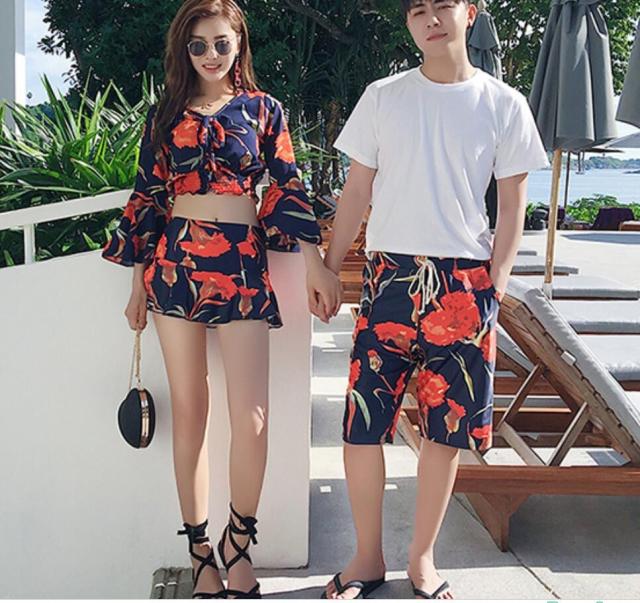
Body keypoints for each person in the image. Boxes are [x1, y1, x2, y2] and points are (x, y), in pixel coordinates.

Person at [101, 0, 341, 598]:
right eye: (198, 45)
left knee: (251, 416)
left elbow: (286, 184)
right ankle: (198, 547)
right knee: (191, 411)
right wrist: (136, 283)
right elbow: (148, 196)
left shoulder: (264, 110)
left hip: (240, 264)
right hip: (175, 266)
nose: (210, 55)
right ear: (184, 51)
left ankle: (239, 542)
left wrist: (314, 261)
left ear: (239, 46)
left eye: (221, 43)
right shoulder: (165, 115)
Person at [321, 0, 549, 599]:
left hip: (463, 283)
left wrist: (496, 281)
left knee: (445, 431)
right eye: (417, 9)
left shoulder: (504, 103)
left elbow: (513, 201)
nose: (430, 18)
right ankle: (366, 558)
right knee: (363, 424)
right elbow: (357, 190)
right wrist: (329, 265)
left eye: (443, 4)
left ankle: (422, 559)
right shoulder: (384, 96)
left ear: (469, 12)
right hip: (389, 278)